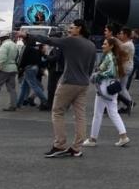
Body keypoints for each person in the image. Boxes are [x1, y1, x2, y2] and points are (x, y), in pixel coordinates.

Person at [22, 19, 96, 158]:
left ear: (79, 29)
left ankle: (59, 145)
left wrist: (28, 35)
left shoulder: (71, 41)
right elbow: (91, 66)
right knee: (80, 116)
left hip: (69, 82)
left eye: (72, 27)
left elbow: (49, 40)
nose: (69, 29)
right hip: (84, 84)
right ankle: (77, 148)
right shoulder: (91, 45)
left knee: (57, 112)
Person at [82, 37, 130, 148]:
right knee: (112, 112)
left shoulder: (108, 57)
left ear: (111, 46)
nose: (102, 46)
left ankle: (93, 139)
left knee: (98, 114)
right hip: (111, 87)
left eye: (105, 44)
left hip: (104, 86)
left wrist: (97, 75)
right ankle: (123, 136)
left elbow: (110, 72)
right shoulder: (112, 56)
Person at [16, 41, 50, 110]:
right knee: (24, 87)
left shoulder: (27, 48)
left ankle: (45, 101)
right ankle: (19, 103)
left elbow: (23, 58)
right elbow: (41, 60)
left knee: (34, 86)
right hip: (35, 68)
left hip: (28, 68)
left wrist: (20, 68)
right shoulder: (37, 49)